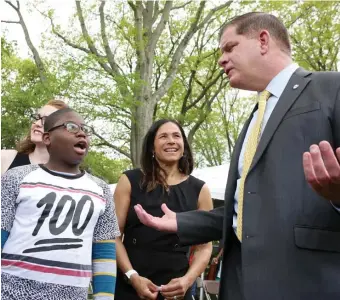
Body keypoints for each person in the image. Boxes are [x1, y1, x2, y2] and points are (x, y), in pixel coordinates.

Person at [133, 12, 340, 300]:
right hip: (240, 285)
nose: (221, 60)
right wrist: (182, 223)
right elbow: (244, 211)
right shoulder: (254, 118)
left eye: (230, 47)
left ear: (263, 41)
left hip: (309, 283)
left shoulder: (331, 88)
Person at [1, 108, 120, 300]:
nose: (81, 133)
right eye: (71, 127)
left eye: (84, 129)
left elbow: (104, 252)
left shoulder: (101, 190)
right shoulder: (17, 177)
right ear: (47, 138)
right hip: (10, 292)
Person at [114, 119, 213, 300]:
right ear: (152, 147)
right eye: (163, 136)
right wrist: (132, 276)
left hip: (176, 288)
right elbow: (113, 236)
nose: (171, 141)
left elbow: (204, 247)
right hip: (131, 285)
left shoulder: (200, 190)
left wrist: (187, 280)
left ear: (184, 145)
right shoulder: (129, 180)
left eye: (177, 136)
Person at [1, 99, 68, 175]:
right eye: (37, 118)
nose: (37, 123)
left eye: (47, 120)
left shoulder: (69, 175)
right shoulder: (6, 158)